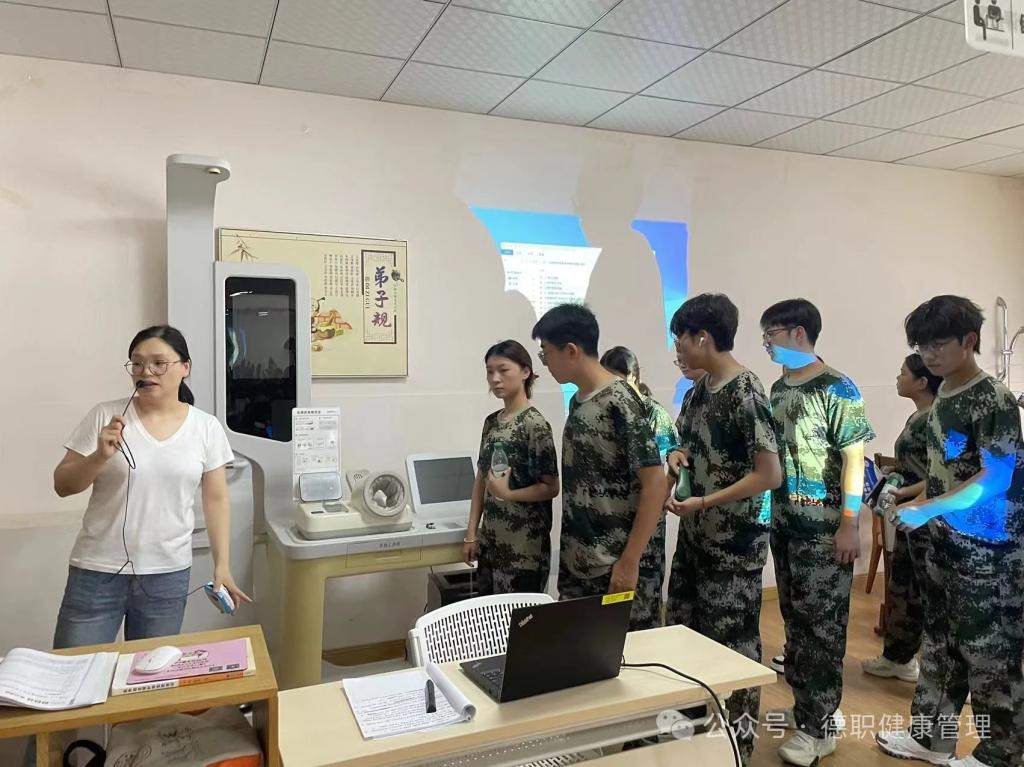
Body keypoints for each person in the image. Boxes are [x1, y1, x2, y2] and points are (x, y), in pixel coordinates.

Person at [877, 296, 1024, 767]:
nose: (929, 354)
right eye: (922, 345)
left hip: (989, 552)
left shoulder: (993, 398)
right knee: (940, 643)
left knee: (988, 653)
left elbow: (995, 478)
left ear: (969, 341)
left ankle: (1001, 753)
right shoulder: (944, 396)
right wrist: (917, 500)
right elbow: (946, 470)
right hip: (946, 543)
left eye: (938, 343)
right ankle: (930, 739)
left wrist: (929, 508)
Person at [51, 326, 250, 649]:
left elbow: (216, 500)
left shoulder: (206, 427)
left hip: (166, 575)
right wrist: (99, 457)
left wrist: (222, 566)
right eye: (138, 363)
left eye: (159, 363)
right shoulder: (106, 416)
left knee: (151, 672)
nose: (146, 372)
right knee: (74, 668)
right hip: (96, 572)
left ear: (185, 367)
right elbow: (62, 485)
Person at [664, 293, 781, 766]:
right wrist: (676, 456)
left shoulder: (746, 392)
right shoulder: (699, 391)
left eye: (681, 339)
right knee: (683, 636)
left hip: (733, 546)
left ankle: (737, 747)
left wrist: (705, 501)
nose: (678, 348)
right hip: (695, 540)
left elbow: (769, 474)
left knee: (732, 649)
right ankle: (692, 741)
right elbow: (685, 444)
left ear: (703, 337)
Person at [761, 299, 875, 767]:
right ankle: (809, 706)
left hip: (825, 531)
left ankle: (820, 727)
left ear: (799, 333)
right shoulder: (777, 388)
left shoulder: (838, 388)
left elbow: (854, 460)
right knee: (796, 623)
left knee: (822, 629)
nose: (766, 344)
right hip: (785, 526)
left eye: (771, 334)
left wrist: (850, 523)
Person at [533, 304, 665, 630]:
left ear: (571, 350)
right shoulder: (579, 400)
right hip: (580, 563)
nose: (545, 362)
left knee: (628, 654)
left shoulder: (620, 401)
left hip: (615, 565)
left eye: (546, 353)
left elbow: (655, 483)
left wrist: (629, 562)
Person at [861, 354, 941, 684]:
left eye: (903, 373)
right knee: (903, 587)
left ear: (922, 382)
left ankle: (944, 673)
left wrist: (907, 492)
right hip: (906, 514)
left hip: (927, 517)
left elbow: (940, 476)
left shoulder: (935, 419)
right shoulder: (916, 416)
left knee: (928, 591)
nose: (897, 377)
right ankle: (898, 657)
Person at [464, 340, 559, 595]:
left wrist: (509, 494)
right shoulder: (491, 422)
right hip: (491, 544)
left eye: (503, 370)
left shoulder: (535, 425)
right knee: (488, 615)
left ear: (525, 372)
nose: (495, 379)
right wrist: (472, 534)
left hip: (525, 551)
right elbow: (481, 479)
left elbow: (551, 487)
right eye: (490, 372)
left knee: (520, 618)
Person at [600, 345, 680, 459]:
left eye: (615, 381)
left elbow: (666, 459)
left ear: (632, 377)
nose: (610, 387)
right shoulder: (603, 409)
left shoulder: (655, 413)